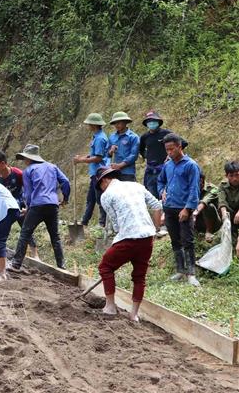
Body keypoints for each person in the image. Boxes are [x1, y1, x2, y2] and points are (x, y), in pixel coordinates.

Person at [96, 167, 163, 322]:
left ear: (104, 180)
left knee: (105, 267)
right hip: (147, 237)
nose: (101, 188)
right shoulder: (136, 186)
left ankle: (110, 307)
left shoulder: (106, 196)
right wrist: (156, 227)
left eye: (100, 185)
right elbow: (157, 205)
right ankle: (134, 315)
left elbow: (117, 225)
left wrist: (118, 244)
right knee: (139, 277)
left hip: (128, 238)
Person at [9, 144, 70, 271]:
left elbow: (29, 193)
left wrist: (28, 207)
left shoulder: (29, 171)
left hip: (37, 204)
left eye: (25, 158)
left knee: (25, 233)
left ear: (30, 158)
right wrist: (65, 198)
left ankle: (16, 263)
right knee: (55, 236)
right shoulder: (52, 167)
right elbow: (65, 182)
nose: (24, 161)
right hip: (52, 205)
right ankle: (61, 265)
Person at [157, 133, 201, 286]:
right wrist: (161, 190)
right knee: (175, 240)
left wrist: (188, 209)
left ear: (179, 147)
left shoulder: (191, 165)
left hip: (183, 209)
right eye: (167, 150)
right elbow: (160, 180)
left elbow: (194, 189)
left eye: (171, 149)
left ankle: (191, 273)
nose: (169, 152)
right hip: (169, 207)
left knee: (187, 240)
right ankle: (180, 270)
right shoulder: (168, 165)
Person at [0, 152, 40, 259]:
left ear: (3, 163)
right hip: (4, 207)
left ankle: (35, 254)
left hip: (19, 204)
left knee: (26, 228)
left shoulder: (18, 174)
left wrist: (29, 206)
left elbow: (29, 190)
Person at [73, 113, 110, 228]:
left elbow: (98, 157)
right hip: (94, 173)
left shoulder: (100, 138)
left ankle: (102, 223)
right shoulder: (97, 136)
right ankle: (84, 222)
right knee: (90, 199)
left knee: (100, 199)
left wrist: (81, 160)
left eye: (89, 124)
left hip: (99, 173)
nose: (88, 126)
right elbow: (93, 154)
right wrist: (83, 157)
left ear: (94, 125)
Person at [108, 111, 140, 181]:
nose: (117, 125)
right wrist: (110, 151)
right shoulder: (112, 137)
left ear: (125, 122)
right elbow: (107, 154)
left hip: (127, 173)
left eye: (119, 122)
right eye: (115, 123)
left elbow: (133, 156)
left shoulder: (133, 137)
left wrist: (119, 165)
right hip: (114, 172)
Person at [192, 172, 222, 243]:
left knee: (208, 206)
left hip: (214, 223)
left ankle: (209, 231)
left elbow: (204, 202)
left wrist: (195, 213)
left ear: (201, 180)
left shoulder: (213, 189)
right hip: (198, 221)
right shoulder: (190, 189)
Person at [218, 160, 239, 256]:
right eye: (231, 176)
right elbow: (222, 202)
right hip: (231, 217)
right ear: (226, 176)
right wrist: (224, 216)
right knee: (231, 247)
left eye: (237, 175)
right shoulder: (223, 186)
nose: (235, 178)